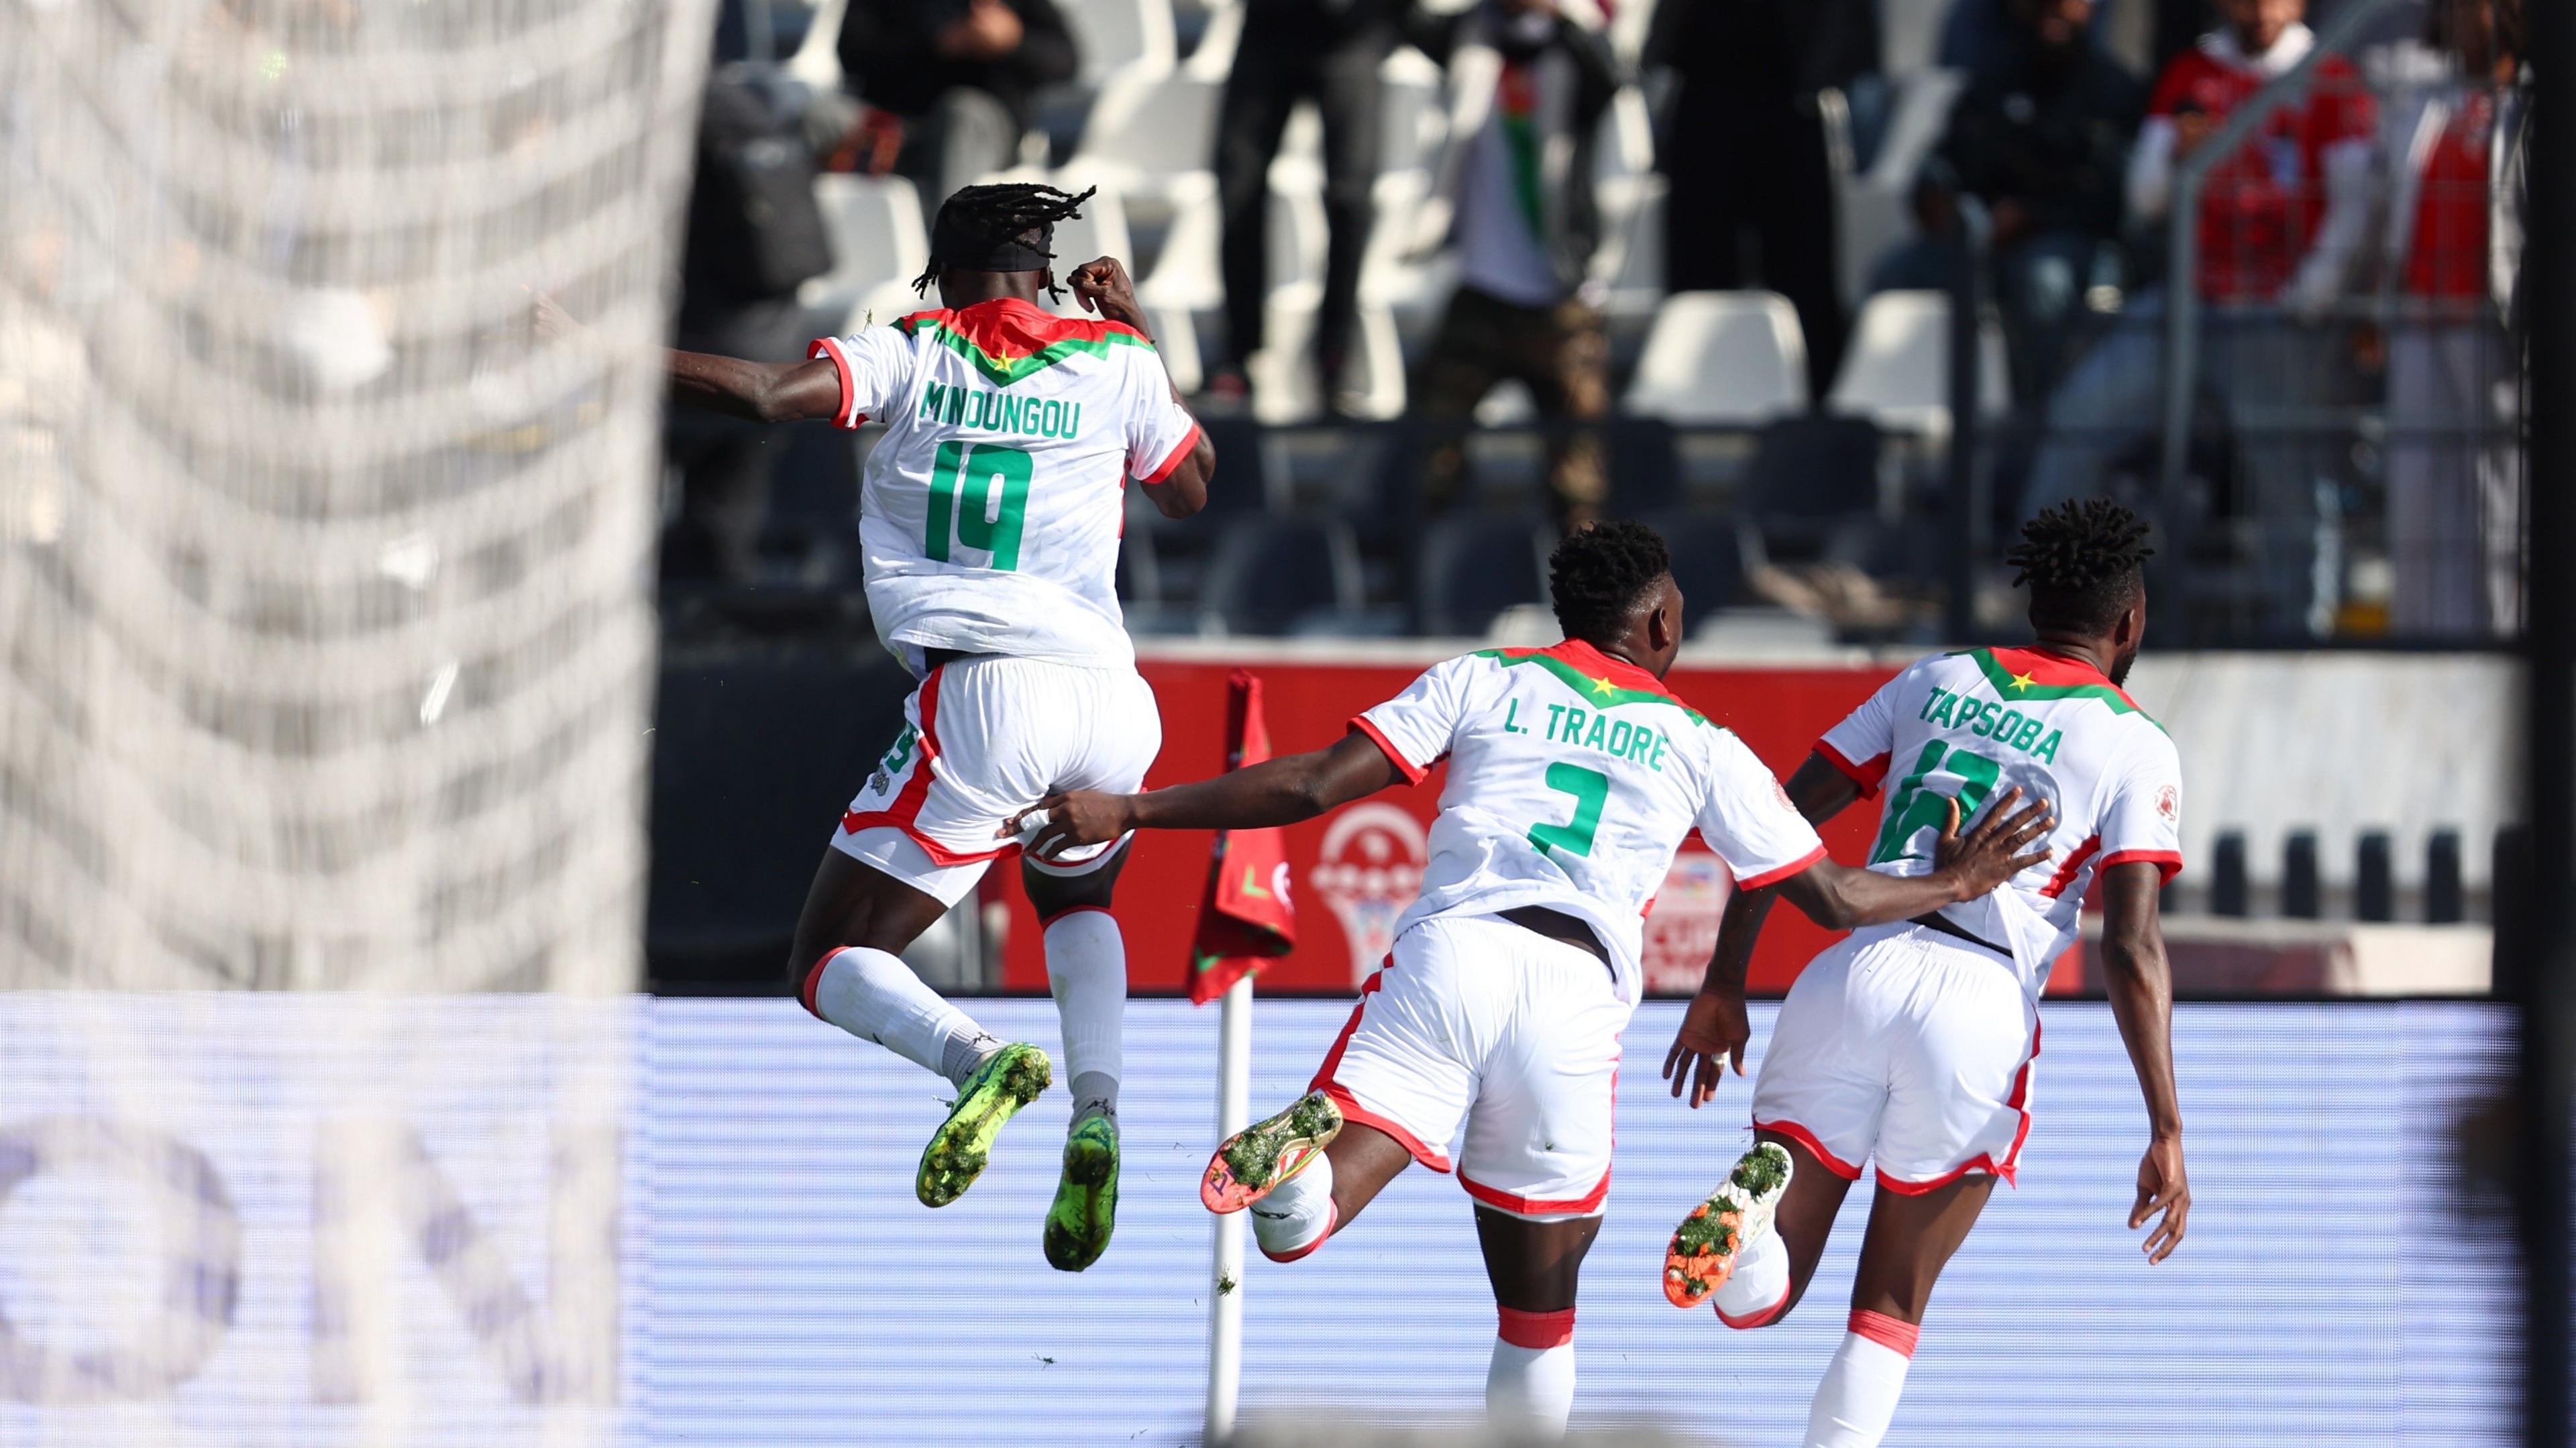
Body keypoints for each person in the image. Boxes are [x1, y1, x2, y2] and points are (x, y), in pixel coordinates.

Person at [1007, 521, 2053, 1434]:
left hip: (1451, 954)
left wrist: (1131, 808)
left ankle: (1296, 1180)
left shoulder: (1485, 676)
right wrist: (1954, 880)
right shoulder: (1699, 740)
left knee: (1312, 1211)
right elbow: (1830, 895)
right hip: (1574, 990)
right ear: (1658, 623)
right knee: (1539, 1309)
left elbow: (1316, 783)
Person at [655, 183, 1215, 1272]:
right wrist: (1139, 329)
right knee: (1077, 894)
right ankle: (1098, 1106)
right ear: (1044, 272)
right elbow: (1190, 489)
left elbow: (768, 396)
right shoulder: (1117, 357)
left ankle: (975, 1060)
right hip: (1112, 694)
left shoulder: (917, 345)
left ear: (942, 270)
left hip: (987, 692)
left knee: (829, 956)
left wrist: (610, 355)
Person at [1658, 499, 2188, 1448]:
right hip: (1979, 999)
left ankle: (1749, 1229)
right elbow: (2131, 946)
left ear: (2033, 604)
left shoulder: (1934, 676)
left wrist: (1725, 981)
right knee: (1890, 1303)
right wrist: (2167, 1125)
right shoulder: (2135, 740)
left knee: (1759, 1298)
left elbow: (1777, 824)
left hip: (1854, 969)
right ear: (2131, 620)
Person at [2021, 0, 2374, 636]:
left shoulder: (2331, 80)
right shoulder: (2194, 73)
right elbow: (2145, 197)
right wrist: (2178, 159)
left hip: (2274, 315)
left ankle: (2302, 631)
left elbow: (2355, 207)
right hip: (2186, 302)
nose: (2259, 7)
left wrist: (2308, 296)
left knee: (2289, 483)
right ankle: (2041, 606)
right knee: (2080, 416)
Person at [1407, 0, 1623, 531]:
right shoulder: (1472, 33)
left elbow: (1612, 77)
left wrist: (1566, 15)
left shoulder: (1576, 47)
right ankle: (1433, 566)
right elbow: (1407, 21)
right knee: (1427, 454)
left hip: (1562, 299)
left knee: (1579, 480)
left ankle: (1584, 579)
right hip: (1481, 288)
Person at [1871, 0, 2143, 402]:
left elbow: (2113, 202)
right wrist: (1934, 198)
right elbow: (1946, 159)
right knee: (1895, 274)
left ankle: (2043, 414)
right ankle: (1898, 409)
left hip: (2068, 243)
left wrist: (2035, 217)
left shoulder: (2113, 89)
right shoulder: (1996, 78)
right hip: (1980, 237)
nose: (2054, 12)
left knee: (2044, 280)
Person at [1646, 0, 1876, 400]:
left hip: (1791, 102)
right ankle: (1694, 392)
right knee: (1698, 276)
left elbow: (1846, 28)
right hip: (1706, 102)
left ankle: (1815, 405)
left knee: (1804, 282)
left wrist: (1818, 79)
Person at [1206, 0, 1399, 414]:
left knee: (1350, 201)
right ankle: (1239, 358)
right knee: (1238, 189)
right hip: (1271, 26)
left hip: (1355, 31)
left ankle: (1335, 365)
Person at [836, 0, 1079, 211]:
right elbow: (852, 53)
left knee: (961, 112)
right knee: (822, 115)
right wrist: (939, 44)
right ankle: (815, 251)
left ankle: (951, 246)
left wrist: (1014, 40)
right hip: (895, 131)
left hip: (983, 130)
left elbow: (1065, 61)